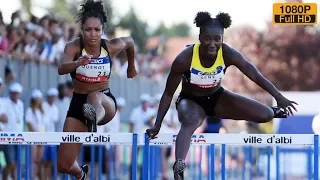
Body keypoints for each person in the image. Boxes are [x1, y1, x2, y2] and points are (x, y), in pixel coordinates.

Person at [146, 11, 298, 180]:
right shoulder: (184, 59)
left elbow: (255, 75)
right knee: (190, 122)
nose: (212, 44)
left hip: (217, 98)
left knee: (266, 115)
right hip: (190, 101)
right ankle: (179, 165)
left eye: (217, 39)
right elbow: (168, 94)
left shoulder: (228, 53)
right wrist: (157, 125)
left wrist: (278, 96)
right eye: (208, 39)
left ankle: (273, 110)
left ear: (222, 39)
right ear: (200, 37)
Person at [56, 0, 137, 179]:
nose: (92, 34)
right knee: (63, 165)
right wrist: (77, 63)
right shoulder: (73, 47)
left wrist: (131, 66)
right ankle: (81, 174)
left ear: (103, 29)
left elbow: (130, 42)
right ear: (82, 29)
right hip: (78, 103)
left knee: (94, 95)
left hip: (104, 102)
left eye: (97, 30)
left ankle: (92, 118)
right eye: (88, 30)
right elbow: (61, 68)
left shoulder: (110, 46)